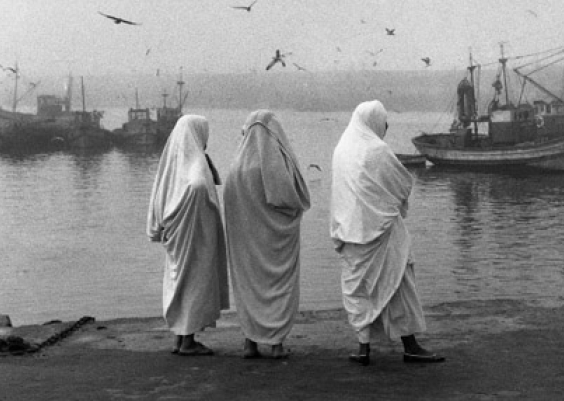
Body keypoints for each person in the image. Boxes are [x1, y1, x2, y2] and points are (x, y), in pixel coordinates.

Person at [330, 100, 445, 366]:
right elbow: (403, 183)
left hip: (350, 231)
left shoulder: (341, 150)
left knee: (359, 290)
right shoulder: (377, 150)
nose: (387, 126)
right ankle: (410, 346)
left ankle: (363, 347)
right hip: (381, 232)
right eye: (384, 120)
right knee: (400, 283)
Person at [223, 110, 311, 360]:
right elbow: (288, 199)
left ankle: (250, 343)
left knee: (249, 287)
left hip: (246, 247)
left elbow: (231, 207)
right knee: (277, 285)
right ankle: (276, 345)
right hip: (273, 243)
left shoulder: (236, 167)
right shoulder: (271, 163)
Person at [147, 115, 229, 356]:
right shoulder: (196, 167)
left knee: (179, 282)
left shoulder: (173, 164)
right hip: (194, 237)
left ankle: (181, 337)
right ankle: (188, 342)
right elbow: (198, 187)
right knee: (193, 283)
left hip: (176, 236)